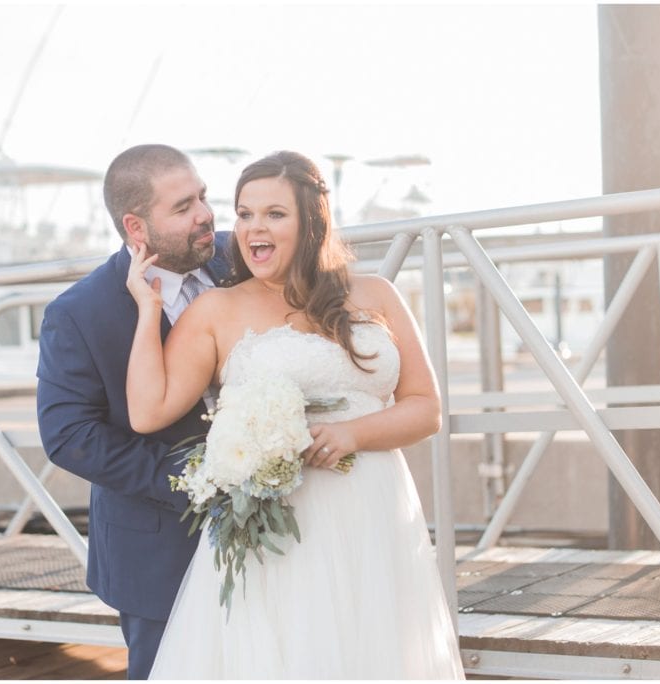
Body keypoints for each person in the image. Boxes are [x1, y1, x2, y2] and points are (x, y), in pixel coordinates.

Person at [124, 151, 465, 678]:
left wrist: (354, 433)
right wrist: (148, 313)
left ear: (311, 222)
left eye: (274, 214)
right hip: (282, 531)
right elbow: (148, 412)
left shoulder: (376, 294)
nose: (253, 228)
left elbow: (426, 409)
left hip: (373, 513)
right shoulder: (217, 309)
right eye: (244, 214)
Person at [36, 144, 234, 680]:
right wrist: (194, 478)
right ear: (135, 226)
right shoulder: (79, 312)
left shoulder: (241, 259)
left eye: (203, 196)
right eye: (183, 207)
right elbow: (68, 433)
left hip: (280, 532)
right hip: (157, 549)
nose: (206, 216)